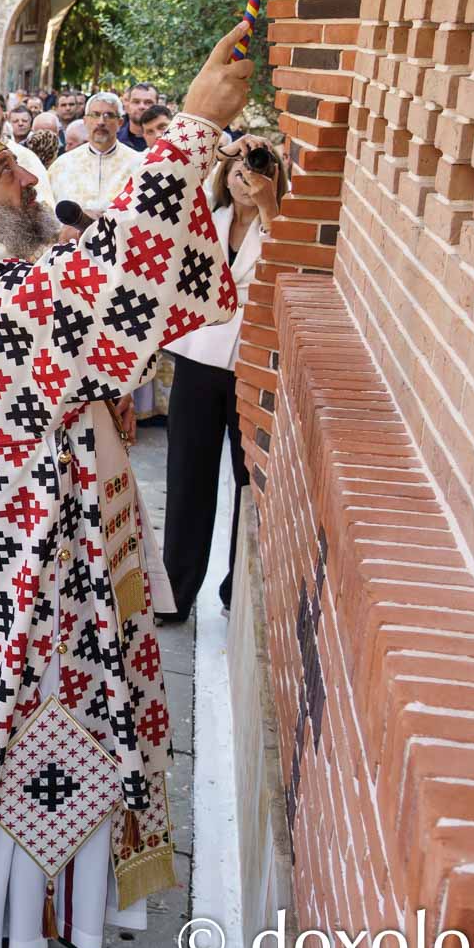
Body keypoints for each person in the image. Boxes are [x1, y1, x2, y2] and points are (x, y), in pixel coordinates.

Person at [0, 25, 252, 948]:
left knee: (58, 746)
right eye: (7, 175)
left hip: (49, 572)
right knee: (16, 755)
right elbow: (110, 285)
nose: (29, 181)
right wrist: (189, 131)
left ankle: (33, 925)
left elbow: (96, 295)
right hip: (13, 591)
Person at [161, 135, 282, 619]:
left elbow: (285, 268)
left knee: (246, 479)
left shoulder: (282, 226)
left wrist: (271, 205)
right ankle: (177, 590)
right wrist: (222, 150)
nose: (245, 180)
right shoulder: (206, 222)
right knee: (187, 478)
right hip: (196, 361)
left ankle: (236, 589)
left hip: (252, 367)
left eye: (256, 172)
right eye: (238, 172)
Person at [46, 91, 141, 215]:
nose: (101, 122)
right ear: (85, 120)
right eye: (95, 115)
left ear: (120, 123)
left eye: (109, 115)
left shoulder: (138, 164)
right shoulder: (62, 166)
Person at [122, 81, 160, 152]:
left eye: (148, 102)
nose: (141, 106)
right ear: (128, 106)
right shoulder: (113, 140)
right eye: (136, 102)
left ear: (157, 106)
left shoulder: (167, 141)